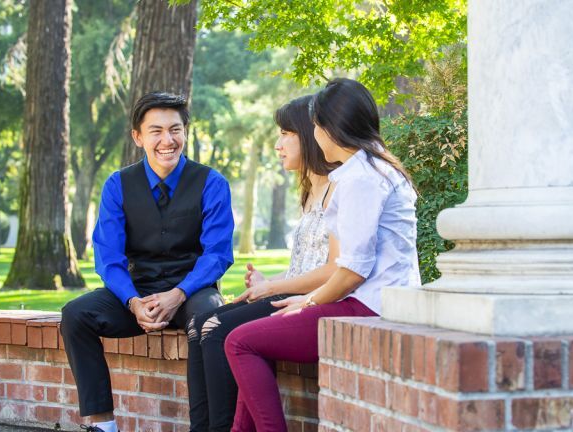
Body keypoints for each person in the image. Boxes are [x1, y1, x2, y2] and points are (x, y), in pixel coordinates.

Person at [224, 78, 419, 431]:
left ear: (331, 128)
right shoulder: (373, 167)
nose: (314, 134)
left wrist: (309, 301)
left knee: (240, 341)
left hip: (368, 306)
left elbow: (354, 270)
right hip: (373, 300)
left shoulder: (361, 177)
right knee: (252, 338)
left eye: (315, 125)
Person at [60, 92, 235, 432]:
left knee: (210, 319)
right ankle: (102, 424)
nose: (167, 140)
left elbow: (217, 254)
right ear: (138, 137)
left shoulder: (211, 183)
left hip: (192, 291)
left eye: (176, 130)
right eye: (156, 131)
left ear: (186, 132)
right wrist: (133, 301)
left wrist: (179, 293)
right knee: (76, 315)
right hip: (138, 291)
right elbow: (108, 256)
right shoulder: (118, 185)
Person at [186, 95, 340, 432]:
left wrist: (273, 287)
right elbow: (304, 265)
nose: (277, 144)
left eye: (286, 133)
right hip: (290, 293)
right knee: (197, 324)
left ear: (310, 134)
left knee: (215, 330)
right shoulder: (309, 192)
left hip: (315, 301)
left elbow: (332, 269)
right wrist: (267, 281)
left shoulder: (337, 190)